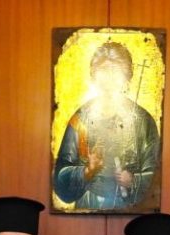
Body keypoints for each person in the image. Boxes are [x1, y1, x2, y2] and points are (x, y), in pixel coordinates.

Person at [53, 40, 161, 211]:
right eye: (103, 71)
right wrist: (87, 171)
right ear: (94, 76)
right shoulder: (80, 120)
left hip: (129, 210)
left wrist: (133, 180)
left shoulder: (143, 122)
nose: (109, 79)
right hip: (88, 206)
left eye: (115, 71)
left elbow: (156, 177)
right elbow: (60, 179)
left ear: (127, 76)